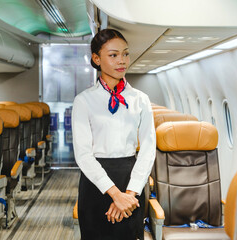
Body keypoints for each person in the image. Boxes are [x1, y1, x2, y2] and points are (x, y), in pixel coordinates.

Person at [72, 28, 156, 240]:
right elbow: (83, 154)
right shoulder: (83, 101)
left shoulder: (140, 99)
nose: (122, 61)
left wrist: (129, 194)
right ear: (96, 58)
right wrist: (114, 194)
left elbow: (148, 149)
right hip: (95, 182)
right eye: (113, 55)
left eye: (126, 53)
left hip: (131, 180)